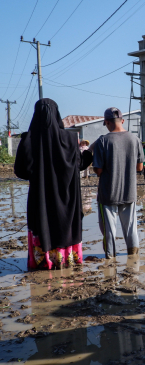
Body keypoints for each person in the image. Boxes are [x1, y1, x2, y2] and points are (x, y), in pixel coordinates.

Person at [14, 98, 94, 270]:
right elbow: (80, 164)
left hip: (40, 197)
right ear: (57, 114)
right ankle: (66, 260)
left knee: (42, 222)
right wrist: (90, 154)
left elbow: (20, 171)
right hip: (67, 197)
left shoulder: (28, 140)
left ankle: (44, 261)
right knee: (66, 224)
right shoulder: (70, 139)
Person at [93, 107, 144, 258]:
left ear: (107, 123)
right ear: (122, 121)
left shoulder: (103, 140)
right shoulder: (135, 139)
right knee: (131, 228)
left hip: (108, 193)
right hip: (129, 191)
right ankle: (133, 258)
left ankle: (110, 259)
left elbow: (99, 170)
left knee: (109, 230)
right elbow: (140, 167)